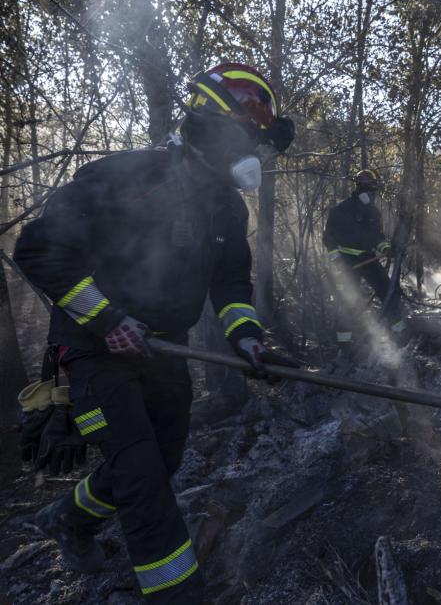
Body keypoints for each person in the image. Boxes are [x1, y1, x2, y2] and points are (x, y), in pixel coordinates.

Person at [14, 62, 297, 603]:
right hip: (94, 350)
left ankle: (67, 518)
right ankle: (176, 594)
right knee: (143, 479)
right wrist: (108, 319)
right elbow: (37, 249)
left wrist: (248, 340)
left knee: (161, 463)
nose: (251, 158)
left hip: (167, 349)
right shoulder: (129, 177)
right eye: (246, 141)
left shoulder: (226, 208)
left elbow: (232, 285)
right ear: (212, 129)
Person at [323, 169, 405, 350]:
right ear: (359, 188)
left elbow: (377, 237)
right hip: (347, 261)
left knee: (389, 292)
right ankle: (344, 344)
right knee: (348, 302)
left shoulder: (373, 212)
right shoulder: (340, 210)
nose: (372, 194)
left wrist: (387, 249)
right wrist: (338, 262)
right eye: (369, 189)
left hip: (368, 259)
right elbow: (328, 239)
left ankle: (400, 337)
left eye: (373, 190)